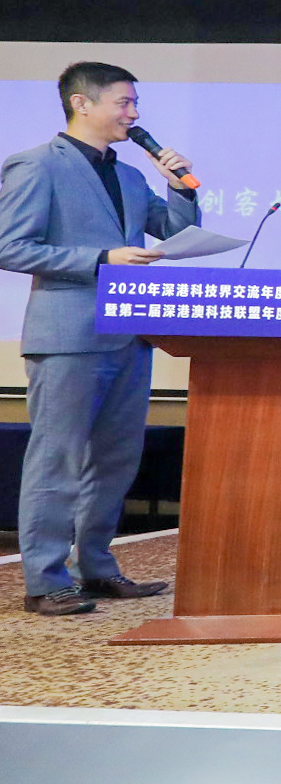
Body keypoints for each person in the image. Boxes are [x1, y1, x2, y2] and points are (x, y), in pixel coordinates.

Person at [0, 61, 197, 615]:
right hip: (68, 335)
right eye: (123, 102)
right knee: (57, 461)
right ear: (81, 103)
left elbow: (174, 232)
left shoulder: (130, 175)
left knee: (114, 461)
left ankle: (97, 568)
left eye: (135, 104)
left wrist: (178, 186)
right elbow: (10, 246)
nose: (134, 114)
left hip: (128, 334)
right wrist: (101, 258)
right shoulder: (38, 165)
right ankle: (45, 580)